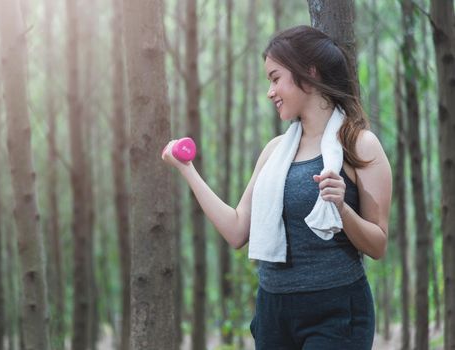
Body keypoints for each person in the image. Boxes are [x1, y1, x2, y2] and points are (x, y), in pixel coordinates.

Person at [161, 25, 391, 350]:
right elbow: (237, 230)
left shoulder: (359, 145)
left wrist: (342, 209)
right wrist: (187, 170)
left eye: (275, 77)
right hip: (273, 312)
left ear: (308, 74)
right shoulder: (274, 151)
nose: (270, 91)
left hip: (336, 313)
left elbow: (378, 245)